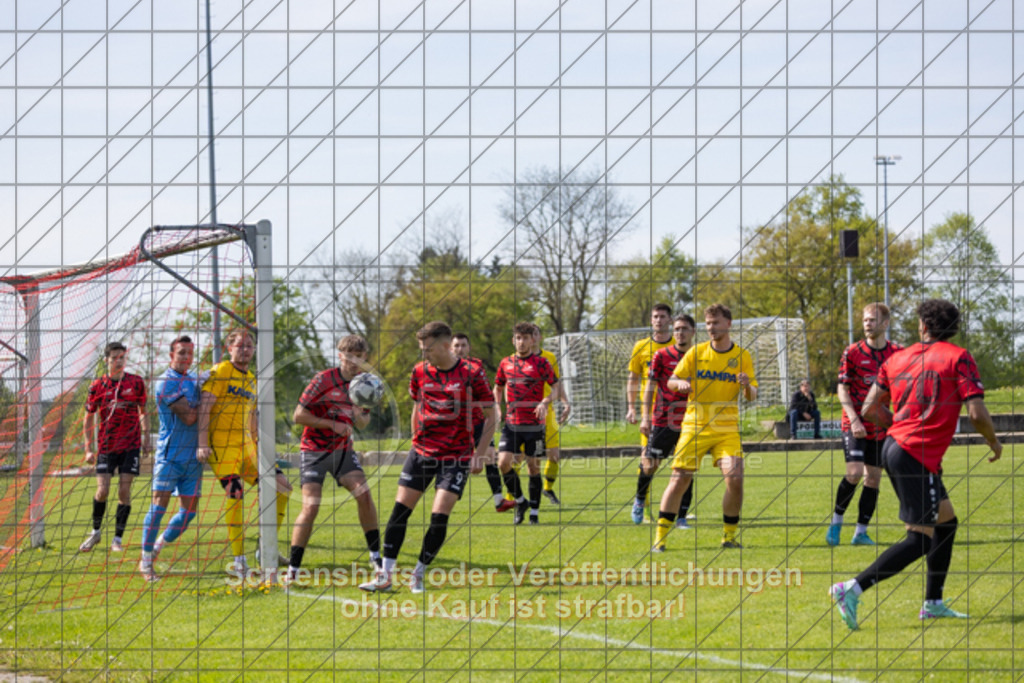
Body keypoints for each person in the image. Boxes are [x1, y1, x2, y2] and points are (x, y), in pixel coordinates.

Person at [830, 299, 1002, 630]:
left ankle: (933, 603)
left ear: (923, 325)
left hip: (899, 448)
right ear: (953, 328)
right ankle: (850, 588)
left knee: (946, 522)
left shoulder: (897, 358)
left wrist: (898, 427)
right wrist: (993, 440)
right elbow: (977, 413)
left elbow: (868, 408)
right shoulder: (959, 357)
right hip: (913, 454)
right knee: (920, 538)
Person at [360, 321, 496, 594]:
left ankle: (418, 574)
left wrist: (479, 456)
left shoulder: (472, 373)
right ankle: (385, 576)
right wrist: (414, 440)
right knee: (400, 512)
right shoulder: (420, 371)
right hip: (422, 452)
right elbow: (417, 405)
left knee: (438, 517)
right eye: (421, 349)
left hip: (456, 456)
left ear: (446, 346)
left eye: (429, 349)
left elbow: (493, 415)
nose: (424, 354)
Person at [651, 303, 757, 551]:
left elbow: (753, 395)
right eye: (708, 324)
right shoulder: (696, 353)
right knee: (679, 479)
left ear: (728, 324)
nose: (711, 328)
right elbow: (672, 381)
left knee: (736, 478)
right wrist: (681, 385)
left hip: (726, 429)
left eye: (716, 323)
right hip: (695, 425)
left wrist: (745, 386)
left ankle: (728, 537)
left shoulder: (742, 356)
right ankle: (660, 538)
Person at [197, 327, 292, 575]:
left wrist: (259, 445)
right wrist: (202, 443)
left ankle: (265, 548)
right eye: (240, 345)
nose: (245, 350)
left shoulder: (251, 378)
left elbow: (251, 416)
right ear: (229, 349)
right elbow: (205, 408)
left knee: (282, 485)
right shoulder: (220, 372)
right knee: (235, 492)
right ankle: (239, 560)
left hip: (247, 447)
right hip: (222, 447)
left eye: (249, 346)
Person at [287, 335, 381, 583]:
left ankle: (376, 556)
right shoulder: (323, 380)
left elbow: (363, 422)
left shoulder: (365, 383)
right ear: (340, 355)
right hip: (314, 449)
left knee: (364, 493)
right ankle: (293, 570)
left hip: (342, 452)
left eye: (359, 358)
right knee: (311, 506)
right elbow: (298, 416)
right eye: (350, 357)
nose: (354, 362)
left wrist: (359, 413)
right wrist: (332, 424)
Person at [827, 303, 903, 546]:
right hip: (854, 424)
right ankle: (836, 523)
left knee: (873, 479)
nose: (867, 324)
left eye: (872, 320)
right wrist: (854, 418)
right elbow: (842, 388)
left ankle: (860, 533)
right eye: (865, 320)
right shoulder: (852, 352)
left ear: (885, 324)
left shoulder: (898, 354)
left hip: (880, 425)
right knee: (854, 473)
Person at [139, 336, 202, 581]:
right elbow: (189, 418)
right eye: (181, 353)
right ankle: (145, 562)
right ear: (171, 355)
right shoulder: (166, 382)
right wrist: (207, 400)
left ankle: (157, 547)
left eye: (189, 353)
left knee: (188, 515)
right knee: (158, 509)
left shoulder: (194, 380)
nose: (186, 357)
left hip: (193, 459)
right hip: (169, 457)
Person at [80, 341, 148, 553]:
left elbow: (143, 410)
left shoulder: (136, 382)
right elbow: (88, 417)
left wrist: (146, 436)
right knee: (102, 491)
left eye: (122, 357)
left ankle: (117, 539)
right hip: (107, 447)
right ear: (106, 360)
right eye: (114, 358)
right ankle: (95, 532)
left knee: (124, 491)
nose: (118, 361)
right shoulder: (97, 386)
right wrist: (88, 448)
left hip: (131, 444)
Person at [493, 322, 561, 525]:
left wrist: (545, 401)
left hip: (534, 425)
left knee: (533, 467)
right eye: (518, 338)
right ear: (513, 340)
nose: (521, 342)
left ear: (533, 340)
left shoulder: (542, 364)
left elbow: (556, 387)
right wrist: (497, 407)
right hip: (512, 423)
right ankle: (521, 501)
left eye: (525, 338)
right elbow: (497, 387)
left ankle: (534, 513)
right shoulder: (505, 363)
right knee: (503, 463)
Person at [635, 314, 696, 528]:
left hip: (690, 420)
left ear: (693, 332)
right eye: (677, 329)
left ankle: (681, 516)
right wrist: (645, 417)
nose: (680, 332)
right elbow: (650, 387)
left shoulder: (700, 356)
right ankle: (640, 500)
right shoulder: (661, 355)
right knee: (650, 464)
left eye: (684, 329)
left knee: (685, 468)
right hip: (663, 419)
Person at [452, 333, 514, 513]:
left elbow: (485, 392)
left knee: (490, 458)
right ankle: (447, 495)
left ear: (469, 348)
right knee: (455, 463)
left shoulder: (476, 366)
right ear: (451, 348)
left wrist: (490, 410)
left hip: (479, 421)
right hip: (457, 425)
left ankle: (499, 501)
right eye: (456, 346)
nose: (460, 349)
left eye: (463, 345)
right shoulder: (444, 368)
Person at [625, 303, 674, 521]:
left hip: (678, 413)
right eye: (655, 316)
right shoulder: (641, 346)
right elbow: (633, 379)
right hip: (652, 413)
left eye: (663, 316)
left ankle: (677, 511)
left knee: (682, 462)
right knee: (648, 460)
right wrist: (631, 408)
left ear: (670, 320)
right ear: (651, 320)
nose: (659, 320)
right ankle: (640, 503)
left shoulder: (680, 345)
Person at [532, 324, 571, 505]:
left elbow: (556, 382)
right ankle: (512, 498)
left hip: (548, 412)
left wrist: (565, 402)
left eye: (535, 334)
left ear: (539, 337)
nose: (531, 338)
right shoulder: (513, 361)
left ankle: (547, 488)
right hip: (524, 414)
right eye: (526, 335)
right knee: (520, 458)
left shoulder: (549, 357)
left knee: (554, 455)